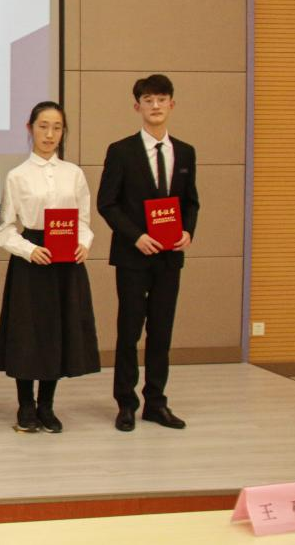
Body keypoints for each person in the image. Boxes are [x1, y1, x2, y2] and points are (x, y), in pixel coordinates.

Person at [97, 74, 199, 432]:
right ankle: (126, 403)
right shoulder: (121, 150)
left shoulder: (185, 152)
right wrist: (136, 236)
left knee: (162, 331)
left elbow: (191, 202)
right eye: (148, 100)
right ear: (136, 106)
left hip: (169, 257)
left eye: (161, 99)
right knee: (129, 330)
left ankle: (156, 402)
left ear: (172, 104)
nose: (155, 106)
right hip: (133, 256)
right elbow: (107, 203)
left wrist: (187, 231)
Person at [0, 101, 100, 433]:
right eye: (43, 126)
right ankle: (25, 405)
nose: (50, 134)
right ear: (30, 128)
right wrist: (29, 250)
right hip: (32, 259)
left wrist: (84, 243)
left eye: (57, 127)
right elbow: (5, 229)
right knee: (28, 332)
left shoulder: (74, 173)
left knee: (58, 331)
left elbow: (84, 220)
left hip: (66, 262)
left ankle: (47, 406)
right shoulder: (17, 175)